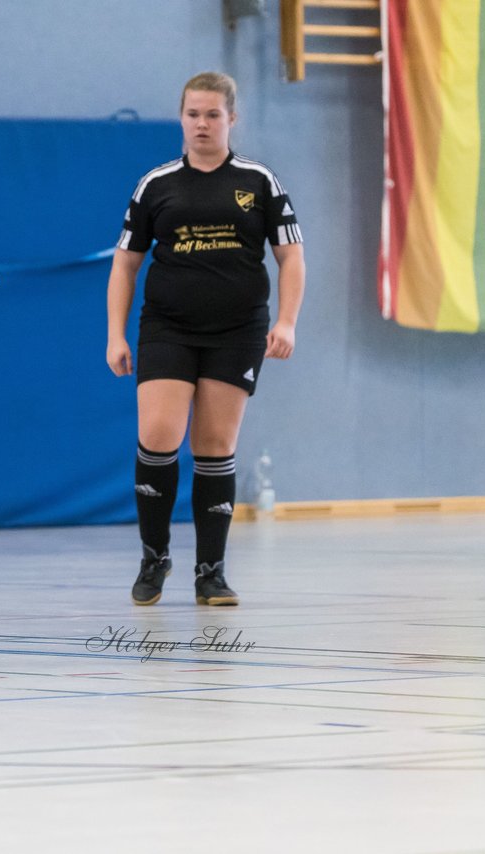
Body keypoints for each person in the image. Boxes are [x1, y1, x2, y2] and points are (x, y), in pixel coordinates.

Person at [105, 72, 305, 607]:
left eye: (213, 114)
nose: (202, 123)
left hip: (237, 331)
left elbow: (291, 258)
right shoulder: (157, 184)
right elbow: (125, 264)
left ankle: (210, 572)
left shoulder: (260, 182)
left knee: (215, 446)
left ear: (231, 119)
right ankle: (154, 557)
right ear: (181, 117)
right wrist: (114, 335)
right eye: (193, 114)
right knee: (159, 433)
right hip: (167, 327)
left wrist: (285, 322)